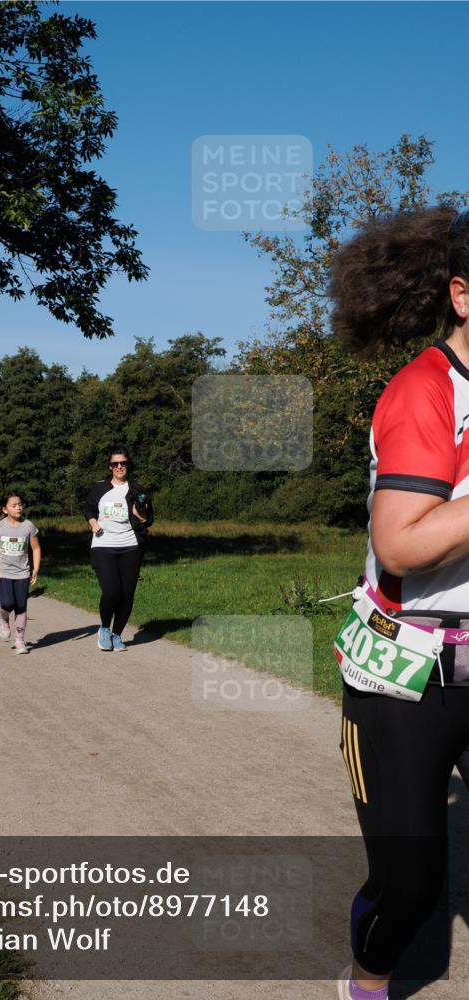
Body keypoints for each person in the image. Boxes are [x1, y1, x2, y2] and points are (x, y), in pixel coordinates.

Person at [328, 206, 469, 1000]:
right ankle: (365, 983)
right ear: (462, 295)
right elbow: (403, 546)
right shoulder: (426, 390)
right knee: (410, 883)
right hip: (405, 677)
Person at [83, 446, 153, 651]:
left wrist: (140, 515)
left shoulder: (138, 490)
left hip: (130, 546)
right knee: (112, 591)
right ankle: (104, 628)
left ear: (128, 465)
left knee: (127, 594)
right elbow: (88, 509)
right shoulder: (99, 488)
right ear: (110, 466)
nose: (119, 466)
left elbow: (148, 520)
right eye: (115, 463)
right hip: (103, 545)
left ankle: (117, 634)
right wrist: (93, 522)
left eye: (123, 463)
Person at [0, 492, 41, 655]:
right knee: (8, 603)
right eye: (14, 505)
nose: (18, 507)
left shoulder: (28, 526)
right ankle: (2, 617)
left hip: (22, 572)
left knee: (21, 606)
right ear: (5, 509)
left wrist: (36, 568)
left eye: (20, 504)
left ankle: (19, 640)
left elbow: (36, 548)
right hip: (3, 571)